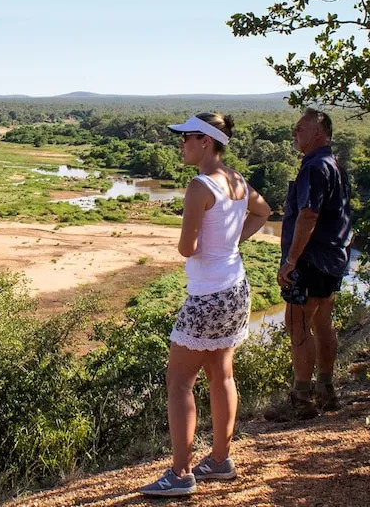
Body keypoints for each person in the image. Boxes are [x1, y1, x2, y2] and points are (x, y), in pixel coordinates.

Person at [138, 113, 271, 497]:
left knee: (179, 382)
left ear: (206, 142)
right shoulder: (238, 181)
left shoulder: (199, 187)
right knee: (222, 374)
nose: (181, 144)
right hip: (235, 288)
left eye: (186, 139)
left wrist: (199, 241)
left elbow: (187, 248)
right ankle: (219, 460)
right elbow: (263, 212)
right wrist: (233, 243)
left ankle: (180, 475)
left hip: (206, 294)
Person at [276, 108, 353, 419]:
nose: (295, 134)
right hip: (333, 257)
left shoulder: (315, 167)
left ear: (319, 133)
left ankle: (302, 397)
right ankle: (326, 390)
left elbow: (308, 215)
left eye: (300, 129)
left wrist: (292, 260)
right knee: (322, 322)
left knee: (297, 323)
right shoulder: (334, 165)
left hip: (311, 258)